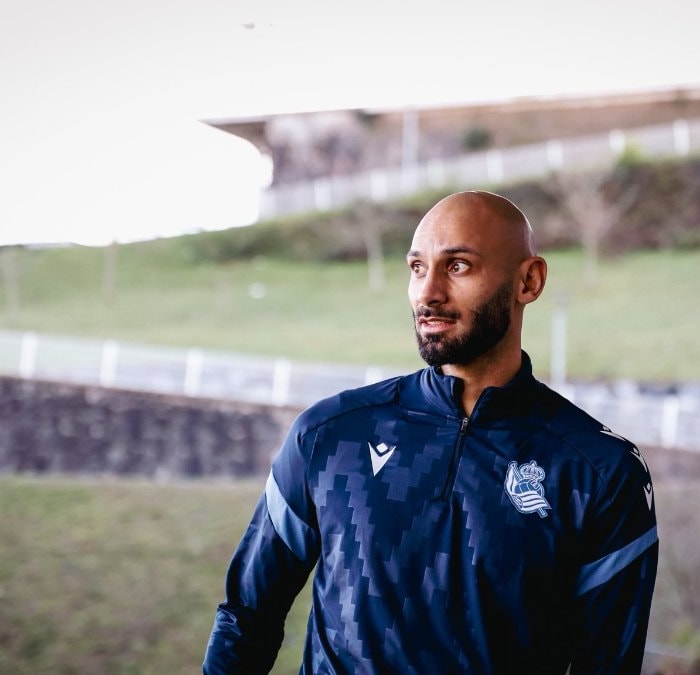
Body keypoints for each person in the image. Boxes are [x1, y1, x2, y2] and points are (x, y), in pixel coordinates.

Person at [203, 190, 658, 674]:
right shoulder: (329, 435)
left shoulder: (600, 471)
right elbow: (246, 616)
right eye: (418, 268)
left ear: (528, 281)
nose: (428, 293)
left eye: (458, 266)